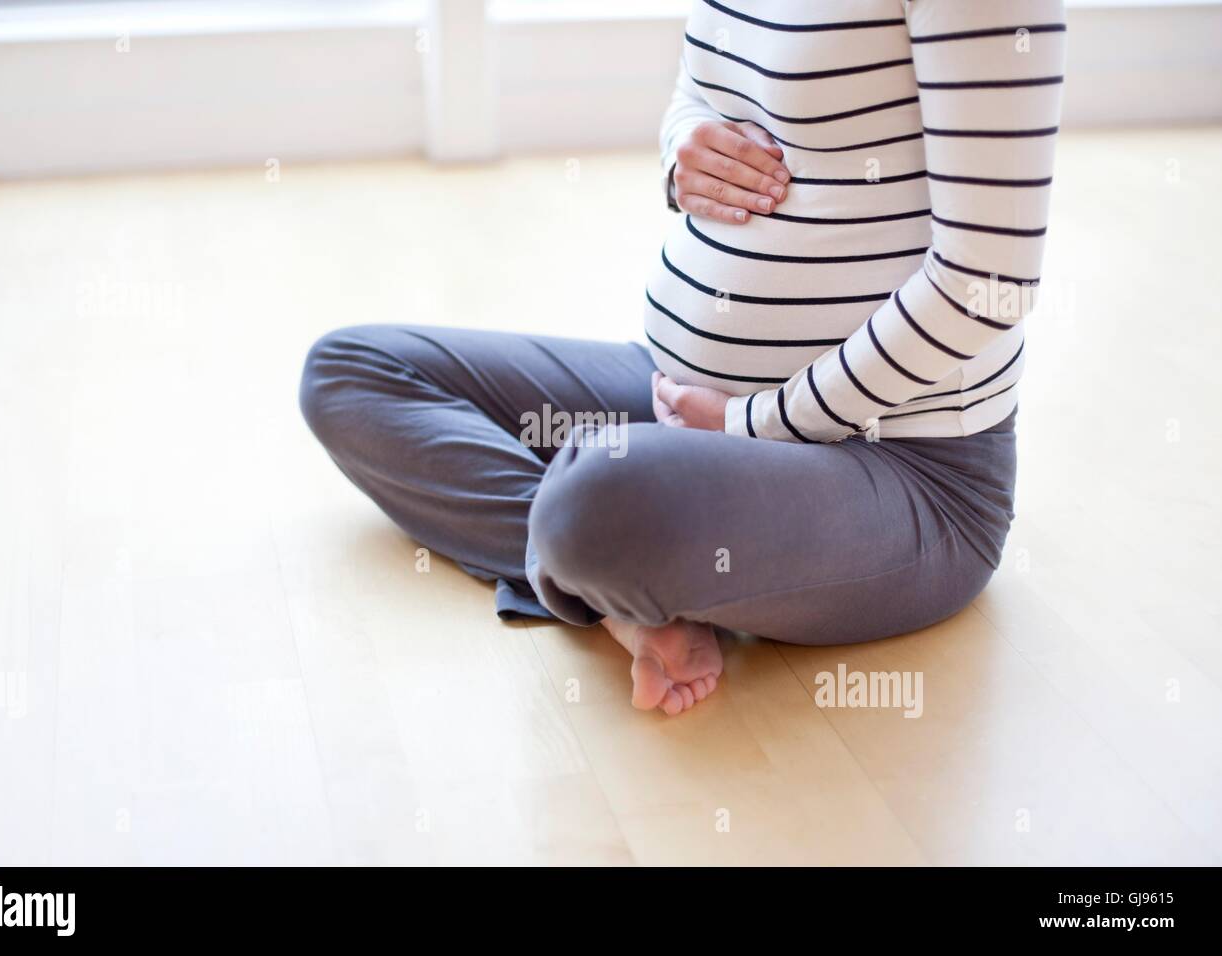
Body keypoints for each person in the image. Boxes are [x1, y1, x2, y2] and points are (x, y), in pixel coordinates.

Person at [299, 0, 1065, 716]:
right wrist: (684, 150)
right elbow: (703, 88)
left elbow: (989, 278)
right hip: (686, 405)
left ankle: (611, 558)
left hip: (901, 472)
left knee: (598, 501)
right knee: (351, 373)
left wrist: (752, 427)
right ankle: (617, 595)